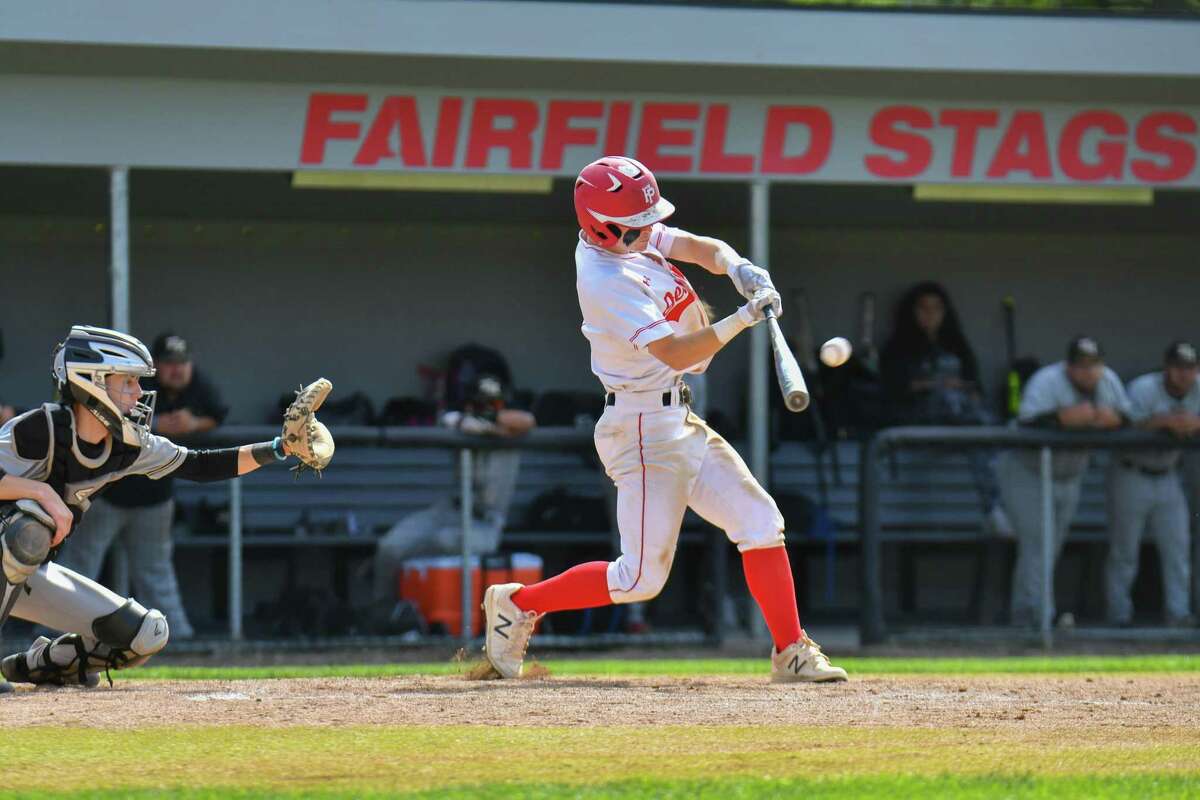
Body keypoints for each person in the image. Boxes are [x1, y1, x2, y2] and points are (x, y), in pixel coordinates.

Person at [479, 155, 846, 682]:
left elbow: (698, 248)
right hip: (642, 431)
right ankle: (520, 604)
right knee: (639, 580)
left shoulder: (631, 231)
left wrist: (739, 267)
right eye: (637, 226)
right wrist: (745, 317)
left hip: (677, 419)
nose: (649, 231)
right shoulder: (605, 278)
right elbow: (675, 352)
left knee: (761, 522)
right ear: (601, 228)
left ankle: (791, 651)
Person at [0, 325, 326, 690]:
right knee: (29, 527)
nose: (139, 393)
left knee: (147, 633)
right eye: (128, 382)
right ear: (91, 381)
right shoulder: (41, 428)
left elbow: (200, 465)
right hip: (11, 551)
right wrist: (43, 495)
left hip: (24, 574)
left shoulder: (128, 444)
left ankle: (44, 664)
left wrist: (280, 447)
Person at [55, 333, 229, 640]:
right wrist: (156, 426)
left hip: (155, 497)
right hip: (108, 493)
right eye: (169, 363)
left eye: (182, 362)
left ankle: (176, 640)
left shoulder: (199, 386)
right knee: (80, 564)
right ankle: (55, 631)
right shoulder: (131, 383)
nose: (176, 370)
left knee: (156, 570)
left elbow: (219, 414)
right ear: (156, 365)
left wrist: (194, 424)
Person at [996, 335, 1130, 628]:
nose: (1088, 372)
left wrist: (1113, 419)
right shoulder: (1047, 381)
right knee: (1038, 546)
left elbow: (1129, 417)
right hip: (1027, 472)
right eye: (1080, 366)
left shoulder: (1108, 381)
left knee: (1048, 548)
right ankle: (1041, 619)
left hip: (1070, 475)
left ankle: (1025, 615)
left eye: (1093, 365)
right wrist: (1060, 418)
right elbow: (1026, 422)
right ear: (1068, 366)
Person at [371, 373, 535, 611]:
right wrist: (470, 421)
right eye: (481, 403)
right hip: (449, 509)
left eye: (494, 403)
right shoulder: (460, 421)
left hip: (485, 523)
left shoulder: (513, 428)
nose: (487, 408)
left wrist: (486, 420)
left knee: (443, 541)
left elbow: (526, 421)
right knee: (390, 547)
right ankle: (383, 613)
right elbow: (447, 419)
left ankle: (414, 614)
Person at [881, 281, 1010, 535]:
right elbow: (894, 388)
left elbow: (975, 387)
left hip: (962, 423)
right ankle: (994, 507)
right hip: (918, 420)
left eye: (937, 308)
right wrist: (936, 384)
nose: (930, 315)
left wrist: (959, 388)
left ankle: (996, 508)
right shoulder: (898, 346)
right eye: (923, 308)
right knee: (965, 413)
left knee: (982, 428)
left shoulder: (956, 345)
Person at [1106, 341, 1200, 627]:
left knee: (1178, 549)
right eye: (1177, 368)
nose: (1183, 374)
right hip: (1131, 472)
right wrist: (1161, 422)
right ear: (1166, 368)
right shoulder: (1142, 389)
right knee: (1125, 551)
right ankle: (1118, 615)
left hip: (1169, 475)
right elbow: (1123, 423)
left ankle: (1179, 614)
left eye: (1189, 368)